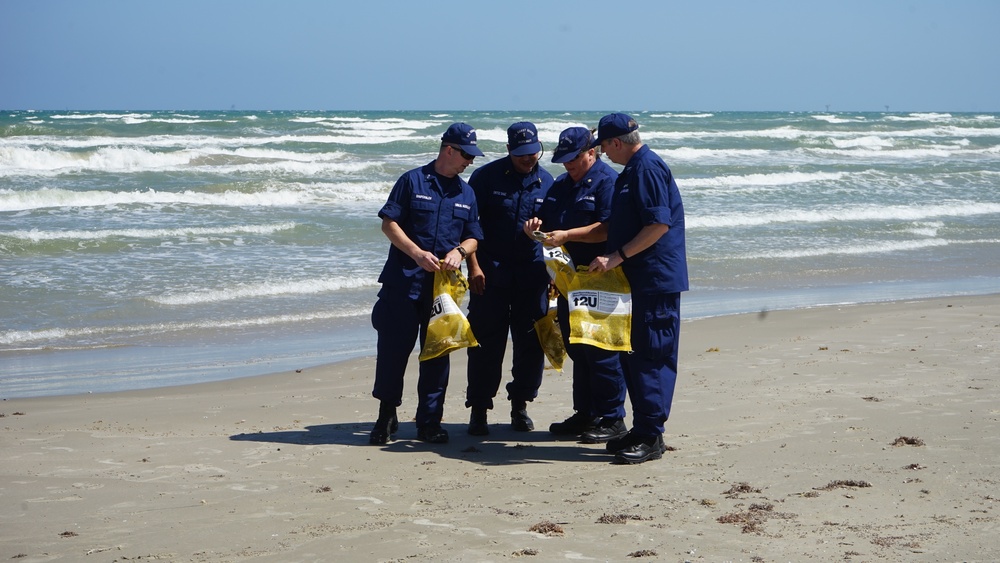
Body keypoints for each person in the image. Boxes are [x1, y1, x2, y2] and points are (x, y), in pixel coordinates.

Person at [369, 122, 484, 445]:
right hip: (403, 284)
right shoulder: (412, 181)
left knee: (437, 355)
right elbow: (389, 224)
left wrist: (460, 252)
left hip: (443, 290)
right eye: (466, 155)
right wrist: (417, 253)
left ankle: (429, 421)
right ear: (449, 149)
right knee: (393, 353)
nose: (469, 162)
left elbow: (474, 236)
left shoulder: (467, 192)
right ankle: (386, 415)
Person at [588, 113, 689, 464]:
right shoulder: (632, 172)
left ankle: (651, 434)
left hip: (654, 279)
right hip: (638, 280)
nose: (602, 154)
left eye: (603, 147)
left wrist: (617, 256)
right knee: (633, 354)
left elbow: (659, 224)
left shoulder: (646, 169)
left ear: (616, 142)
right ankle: (642, 427)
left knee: (651, 354)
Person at [522, 127, 627, 443]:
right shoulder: (561, 186)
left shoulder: (607, 182)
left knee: (601, 349)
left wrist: (569, 235)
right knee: (576, 346)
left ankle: (613, 418)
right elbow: (549, 222)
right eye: (564, 160)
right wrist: (535, 230)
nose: (568, 165)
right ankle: (585, 414)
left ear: (591, 152)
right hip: (568, 279)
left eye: (574, 159)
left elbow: (608, 229)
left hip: (601, 276)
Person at [464, 122, 554, 435]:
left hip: (532, 276)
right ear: (508, 150)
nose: (528, 159)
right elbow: (469, 226)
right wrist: (473, 266)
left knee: (531, 344)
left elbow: (557, 236)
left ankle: (520, 405)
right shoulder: (485, 178)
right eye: (520, 154)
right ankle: (479, 408)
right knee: (485, 343)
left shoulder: (548, 182)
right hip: (489, 275)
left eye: (532, 152)